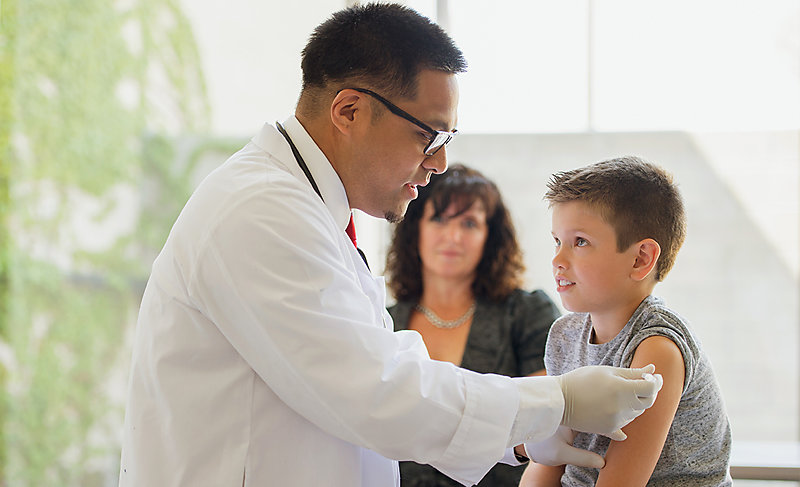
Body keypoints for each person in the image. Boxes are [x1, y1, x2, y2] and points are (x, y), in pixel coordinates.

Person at [119, 4, 663, 486]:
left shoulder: (307, 209)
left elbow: (379, 365)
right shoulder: (259, 211)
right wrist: (556, 402)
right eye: (430, 134)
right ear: (349, 111)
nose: (440, 161)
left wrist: (520, 436)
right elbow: (374, 391)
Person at [520, 156, 732, 486]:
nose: (557, 260)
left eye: (580, 242)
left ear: (640, 259)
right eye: (557, 241)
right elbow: (548, 464)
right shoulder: (565, 335)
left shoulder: (657, 348)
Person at [386, 163, 560, 485]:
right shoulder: (382, 321)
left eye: (469, 223)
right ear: (415, 230)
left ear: (489, 237)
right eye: (438, 219)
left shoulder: (526, 313)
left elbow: (549, 422)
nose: (452, 237)